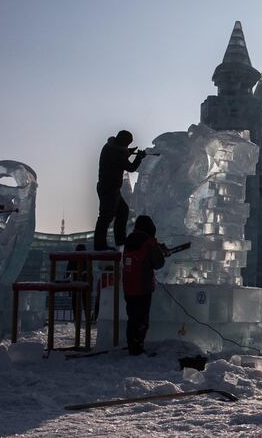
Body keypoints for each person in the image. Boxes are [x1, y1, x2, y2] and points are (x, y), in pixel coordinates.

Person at [122, 215, 167, 356]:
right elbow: (158, 263)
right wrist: (160, 252)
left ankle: (132, 345)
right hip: (143, 287)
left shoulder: (129, 240)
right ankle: (138, 347)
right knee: (142, 319)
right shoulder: (149, 242)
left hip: (128, 286)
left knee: (132, 317)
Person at [94, 130, 145, 251]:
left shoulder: (110, 147)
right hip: (109, 189)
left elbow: (120, 154)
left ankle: (120, 240)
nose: (127, 146)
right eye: (127, 144)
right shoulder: (115, 152)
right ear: (123, 141)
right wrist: (139, 157)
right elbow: (131, 168)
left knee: (122, 211)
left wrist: (128, 152)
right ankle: (100, 244)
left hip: (112, 189)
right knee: (106, 217)